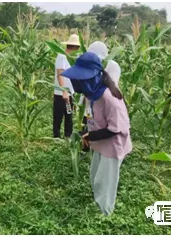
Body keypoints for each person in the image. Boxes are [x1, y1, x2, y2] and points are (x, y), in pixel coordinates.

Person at [61, 52, 132, 216]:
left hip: (113, 145)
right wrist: (86, 131)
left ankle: (105, 212)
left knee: (105, 180)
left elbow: (116, 129)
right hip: (100, 142)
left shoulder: (110, 98)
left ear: (93, 77)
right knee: (95, 175)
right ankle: (97, 202)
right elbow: (89, 114)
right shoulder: (90, 94)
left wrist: (90, 136)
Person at [79, 41, 122, 155]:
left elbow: (111, 85)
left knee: (103, 125)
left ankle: (101, 146)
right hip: (90, 100)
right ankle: (86, 145)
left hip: (103, 102)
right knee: (88, 120)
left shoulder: (112, 66)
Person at [53, 34, 80, 138]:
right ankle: (56, 137)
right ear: (74, 47)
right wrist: (64, 92)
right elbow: (59, 74)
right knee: (58, 116)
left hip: (71, 92)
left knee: (69, 115)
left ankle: (68, 136)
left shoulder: (72, 58)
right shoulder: (62, 56)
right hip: (61, 93)